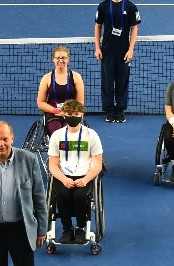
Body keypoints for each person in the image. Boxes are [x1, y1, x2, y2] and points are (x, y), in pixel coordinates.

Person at [0, 121, 47, 266]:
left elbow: (39, 197)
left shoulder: (29, 159)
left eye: (5, 139)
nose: (1, 144)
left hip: (21, 229)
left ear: (12, 138)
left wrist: (42, 229)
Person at [47, 100, 103, 244]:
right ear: (64, 115)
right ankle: (67, 229)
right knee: (61, 194)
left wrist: (85, 179)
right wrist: (63, 179)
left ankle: (80, 228)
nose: (73, 117)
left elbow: (97, 165)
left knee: (80, 196)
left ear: (82, 115)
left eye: (76, 114)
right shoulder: (57, 136)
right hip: (63, 175)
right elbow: (52, 164)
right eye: (70, 114)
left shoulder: (92, 135)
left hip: (85, 175)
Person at [94, 0, 141, 123]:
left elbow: (134, 28)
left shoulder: (131, 7)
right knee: (107, 84)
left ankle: (120, 111)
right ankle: (109, 111)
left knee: (122, 83)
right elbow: (97, 26)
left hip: (124, 53)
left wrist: (131, 49)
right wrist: (98, 47)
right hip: (106, 52)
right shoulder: (102, 6)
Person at [36, 46, 85, 136]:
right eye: (58, 58)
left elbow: (80, 102)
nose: (61, 60)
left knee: (70, 134)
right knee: (58, 134)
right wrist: (55, 111)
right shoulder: (46, 78)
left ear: (68, 59)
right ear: (53, 59)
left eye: (64, 58)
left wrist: (70, 112)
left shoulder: (76, 77)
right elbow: (40, 102)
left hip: (72, 112)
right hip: (53, 113)